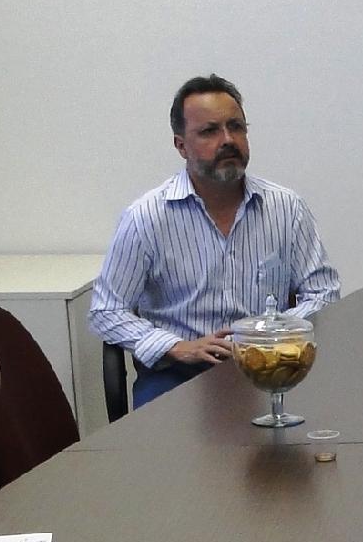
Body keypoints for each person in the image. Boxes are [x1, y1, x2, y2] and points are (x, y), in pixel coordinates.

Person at [89, 74, 342, 407]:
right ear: (181, 145)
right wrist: (175, 347)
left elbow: (324, 293)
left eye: (236, 127)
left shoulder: (286, 208)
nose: (228, 140)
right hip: (179, 375)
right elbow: (106, 311)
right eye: (209, 131)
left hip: (269, 368)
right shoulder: (146, 218)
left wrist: (270, 333)